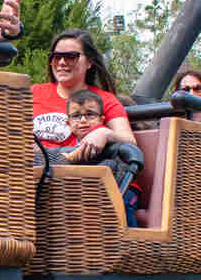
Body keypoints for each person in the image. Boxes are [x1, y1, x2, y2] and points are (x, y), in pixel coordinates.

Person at [31, 29, 136, 158]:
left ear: (89, 62)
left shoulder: (105, 99)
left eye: (71, 57)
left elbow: (129, 141)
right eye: (56, 57)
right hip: (30, 171)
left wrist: (104, 133)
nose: (62, 62)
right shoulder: (33, 93)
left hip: (80, 173)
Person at [55, 89, 140, 226]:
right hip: (87, 190)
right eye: (76, 116)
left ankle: (130, 241)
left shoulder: (105, 138)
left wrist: (107, 135)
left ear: (101, 119)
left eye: (90, 114)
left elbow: (127, 145)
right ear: (68, 123)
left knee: (122, 204)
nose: (83, 120)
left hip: (122, 185)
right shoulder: (70, 145)